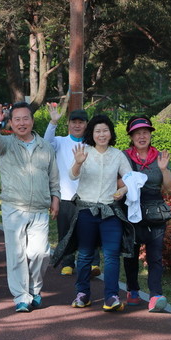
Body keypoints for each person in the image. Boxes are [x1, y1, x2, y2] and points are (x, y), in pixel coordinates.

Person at [53, 114, 133, 312]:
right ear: (92, 133)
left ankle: (111, 296)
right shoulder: (83, 151)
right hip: (86, 210)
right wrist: (78, 162)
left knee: (112, 255)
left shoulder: (117, 155)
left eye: (105, 130)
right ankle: (82, 294)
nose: (102, 134)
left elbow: (131, 179)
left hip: (110, 211)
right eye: (98, 131)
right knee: (86, 254)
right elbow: (72, 175)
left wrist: (122, 190)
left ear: (111, 133)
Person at [0, 102, 60, 313]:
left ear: (32, 121)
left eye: (25, 118)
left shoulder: (45, 147)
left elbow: (53, 176)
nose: (21, 123)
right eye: (17, 119)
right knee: (17, 254)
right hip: (13, 207)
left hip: (39, 208)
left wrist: (55, 197)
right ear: (10, 123)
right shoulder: (6, 144)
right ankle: (21, 296)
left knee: (40, 253)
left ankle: (34, 290)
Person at [122, 116, 171, 312]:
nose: (142, 136)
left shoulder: (160, 156)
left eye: (145, 132)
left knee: (155, 256)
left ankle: (155, 295)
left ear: (150, 134)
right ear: (131, 136)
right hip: (131, 209)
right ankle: (133, 290)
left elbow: (169, 188)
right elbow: (117, 182)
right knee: (130, 254)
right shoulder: (124, 156)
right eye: (137, 133)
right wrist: (131, 183)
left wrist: (164, 170)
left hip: (155, 211)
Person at [43, 105, 102, 277]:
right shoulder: (60, 141)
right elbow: (46, 143)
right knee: (66, 231)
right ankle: (68, 262)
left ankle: (93, 263)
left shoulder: (92, 144)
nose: (77, 125)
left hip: (88, 196)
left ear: (86, 124)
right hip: (65, 196)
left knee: (90, 230)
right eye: (74, 122)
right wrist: (53, 122)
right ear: (68, 124)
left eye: (81, 122)